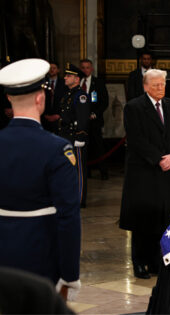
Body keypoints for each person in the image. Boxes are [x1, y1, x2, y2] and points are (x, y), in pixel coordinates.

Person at [0, 58, 81, 300]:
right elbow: (68, 216)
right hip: (41, 254)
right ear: (40, 99)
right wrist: (69, 275)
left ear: (9, 99)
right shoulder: (57, 149)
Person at [119, 69, 170, 279]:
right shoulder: (134, 107)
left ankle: (158, 261)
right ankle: (140, 263)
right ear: (145, 86)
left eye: (162, 84)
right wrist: (158, 158)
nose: (160, 88)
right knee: (143, 220)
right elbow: (136, 139)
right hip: (144, 172)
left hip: (168, 171)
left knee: (165, 218)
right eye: (155, 84)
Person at [58, 63, 90, 207]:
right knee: (67, 169)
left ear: (77, 79)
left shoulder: (81, 96)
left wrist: (80, 136)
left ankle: (79, 199)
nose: (65, 78)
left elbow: (83, 117)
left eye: (68, 75)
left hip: (74, 136)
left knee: (78, 170)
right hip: (65, 136)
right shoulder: (67, 95)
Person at [80, 58, 109, 180]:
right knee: (84, 147)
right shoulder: (78, 82)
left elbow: (104, 102)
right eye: (83, 67)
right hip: (80, 122)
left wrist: (95, 114)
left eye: (88, 67)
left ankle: (103, 172)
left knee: (98, 147)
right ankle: (86, 172)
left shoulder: (98, 83)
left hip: (94, 121)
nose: (85, 70)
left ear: (92, 69)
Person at [42, 61, 66, 134]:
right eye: (50, 68)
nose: (52, 70)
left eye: (54, 68)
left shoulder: (64, 83)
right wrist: (45, 115)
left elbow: (66, 101)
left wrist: (59, 115)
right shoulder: (42, 83)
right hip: (44, 118)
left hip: (59, 118)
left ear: (58, 70)